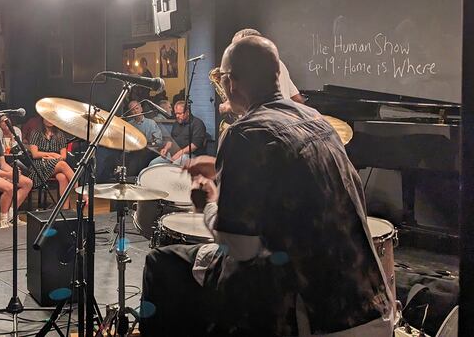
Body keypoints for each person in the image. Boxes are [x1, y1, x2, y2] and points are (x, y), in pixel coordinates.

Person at [140, 36, 394, 336]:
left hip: (311, 310)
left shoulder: (246, 133)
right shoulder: (315, 120)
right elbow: (290, 187)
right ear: (277, 75)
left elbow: (238, 247)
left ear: (231, 83)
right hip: (368, 299)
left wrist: (209, 201)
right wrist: (222, 171)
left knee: (163, 263)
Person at [219, 28, 304, 116]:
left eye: (237, 48)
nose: (232, 52)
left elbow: (249, 103)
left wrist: (227, 106)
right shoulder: (277, 62)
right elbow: (297, 99)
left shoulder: (246, 67)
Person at [28, 118, 75, 209]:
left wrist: (52, 158)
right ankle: (80, 190)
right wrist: (52, 154)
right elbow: (34, 154)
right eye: (47, 118)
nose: (50, 120)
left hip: (55, 165)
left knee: (63, 177)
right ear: (42, 118)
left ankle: (64, 210)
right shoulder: (36, 132)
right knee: (62, 164)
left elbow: (63, 156)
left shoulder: (60, 135)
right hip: (39, 165)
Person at [148, 100, 206, 166]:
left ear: (187, 112)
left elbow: (195, 145)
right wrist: (166, 149)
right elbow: (171, 140)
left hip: (190, 155)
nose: (177, 116)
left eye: (180, 113)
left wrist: (179, 153)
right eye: (176, 114)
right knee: (153, 164)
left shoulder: (197, 123)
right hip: (175, 153)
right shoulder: (176, 123)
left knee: (174, 166)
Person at [125, 100, 162, 174]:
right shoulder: (129, 125)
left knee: (139, 157)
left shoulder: (151, 123)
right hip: (132, 151)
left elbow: (159, 141)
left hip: (148, 151)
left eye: (137, 108)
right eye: (132, 110)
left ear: (141, 109)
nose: (135, 111)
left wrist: (149, 144)